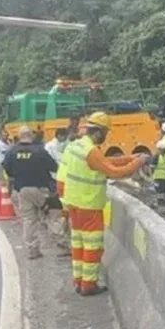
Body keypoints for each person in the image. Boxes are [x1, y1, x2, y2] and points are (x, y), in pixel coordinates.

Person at [60, 112, 147, 296]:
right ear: (98, 132)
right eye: (106, 132)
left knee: (79, 245)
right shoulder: (91, 152)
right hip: (89, 206)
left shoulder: (77, 146)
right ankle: (89, 285)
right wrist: (137, 163)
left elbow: (103, 162)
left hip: (74, 204)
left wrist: (130, 157)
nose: (107, 136)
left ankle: (78, 280)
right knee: (93, 247)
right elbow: (115, 172)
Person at [1, 126, 59, 260]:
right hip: (41, 189)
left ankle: (32, 249)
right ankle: (62, 245)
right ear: (31, 136)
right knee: (53, 215)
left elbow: (6, 168)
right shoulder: (39, 151)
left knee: (28, 220)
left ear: (20, 137)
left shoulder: (12, 151)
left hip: (22, 190)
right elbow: (54, 167)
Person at [151, 139, 165, 208]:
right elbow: (152, 167)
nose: (159, 150)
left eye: (160, 149)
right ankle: (162, 207)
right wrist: (152, 177)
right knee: (160, 193)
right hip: (159, 178)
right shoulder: (157, 157)